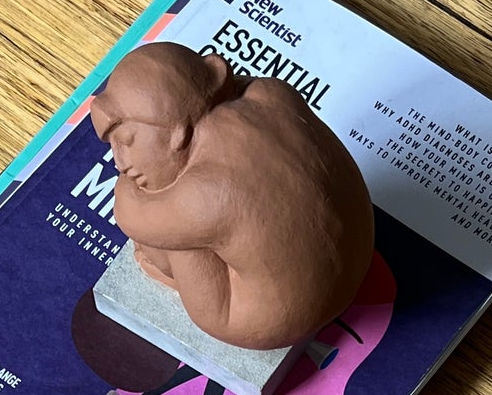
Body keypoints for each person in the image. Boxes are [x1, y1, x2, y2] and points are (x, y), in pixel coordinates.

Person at [89, 42, 374, 351]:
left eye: (127, 141)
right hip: (359, 247)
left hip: (265, 316)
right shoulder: (268, 92)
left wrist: (138, 190)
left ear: (178, 134)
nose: (119, 162)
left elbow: (128, 213)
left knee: (168, 240)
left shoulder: (203, 193)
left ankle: (179, 284)